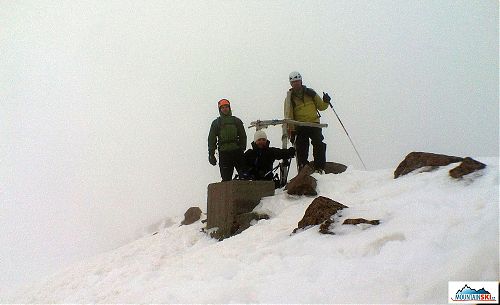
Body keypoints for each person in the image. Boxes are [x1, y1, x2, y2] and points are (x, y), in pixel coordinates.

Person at [283, 71, 331, 172]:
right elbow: (288, 116)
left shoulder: (310, 93)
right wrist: (291, 131)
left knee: (318, 143)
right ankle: (303, 166)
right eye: (294, 82)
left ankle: (320, 167)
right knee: (302, 146)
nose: (296, 83)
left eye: (297, 81)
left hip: (314, 123)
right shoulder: (289, 98)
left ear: (301, 81)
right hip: (300, 125)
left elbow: (321, 107)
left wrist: (326, 101)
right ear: (291, 84)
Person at [208, 99, 247, 181]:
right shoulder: (216, 123)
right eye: (222, 108)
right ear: (220, 110)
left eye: (226, 107)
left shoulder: (236, 121)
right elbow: (212, 138)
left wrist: (242, 147)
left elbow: (243, 135)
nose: (225, 109)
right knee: (226, 178)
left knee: (244, 175)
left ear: (229, 108)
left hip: (237, 151)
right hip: (224, 152)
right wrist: (211, 154)